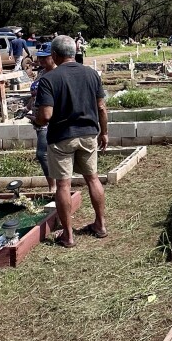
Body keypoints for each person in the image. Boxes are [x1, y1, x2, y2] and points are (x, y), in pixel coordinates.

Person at [35, 36, 108, 248]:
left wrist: (36, 119)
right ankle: (100, 225)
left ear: (54, 55)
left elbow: (46, 115)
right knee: (92, 179)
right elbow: (101, 107)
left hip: (61, 137)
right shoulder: (91, 74)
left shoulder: (49, 79)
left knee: (63, 184)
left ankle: (68, 235)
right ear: (75, 52)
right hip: (88, 134)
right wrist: (104, 132)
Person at [24, 43, 57, 194]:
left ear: (54, 56)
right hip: (38, 119)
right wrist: (26, 108)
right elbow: (35, 95)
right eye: (40, 57)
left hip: (50, 119)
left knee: (42, 153)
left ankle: (54, 186)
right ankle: (56, 184)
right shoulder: (42, 73)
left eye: (45, 57)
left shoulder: (57, 74)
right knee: (48, 153)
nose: (41, 60)